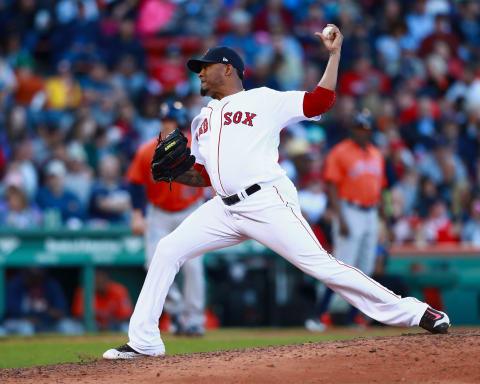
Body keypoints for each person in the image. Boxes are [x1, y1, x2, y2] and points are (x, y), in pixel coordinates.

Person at [103, 25, 450, 359]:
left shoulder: (263, 100)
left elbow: (320, 102)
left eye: (205, 68)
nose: (199, 74)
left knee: (322, 267)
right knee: (166, 250)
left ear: (227, 69)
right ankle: (144, 341)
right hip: (224, 209)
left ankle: (415, 312)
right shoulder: (201, 119)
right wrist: (178, 174)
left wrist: (334, 55)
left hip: (267, 201)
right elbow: (205, 176)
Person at [125, 101, 206, 336]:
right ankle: (177, 312)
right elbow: (135, 183)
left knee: (193, 267)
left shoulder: (197, 145)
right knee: (154, 264)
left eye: (173, 121)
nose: (169, 125)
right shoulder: (147, 150)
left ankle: (194, 320)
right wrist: (137, 215)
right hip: (159, 214)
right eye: (165, 121)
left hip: (190, 212)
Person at [305, 110, 387, 331]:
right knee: (342, 266)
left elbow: (379, 189)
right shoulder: (340, 152)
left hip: (370, 212)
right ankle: (318, 314)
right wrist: (340, 217)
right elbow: (331, 185)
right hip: (348, 209)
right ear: (353, 129)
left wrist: (381, 220)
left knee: (365, 268)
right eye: (360, 128)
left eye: (366, 129)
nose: (363, 132)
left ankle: (352, 316)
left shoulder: (376, 154)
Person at [3, 268, 81, 335]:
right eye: (31, 275)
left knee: (68, 326)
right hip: (18, 322)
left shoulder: (51, 285)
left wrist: (48, 310)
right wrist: (27, 317)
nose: (35, 279)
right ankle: (28, 352)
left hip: (47, 322)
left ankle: (68, 351)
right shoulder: (15, 285)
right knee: (26, 327)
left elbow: (62, 311)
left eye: (38, 275)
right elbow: (9, 310)